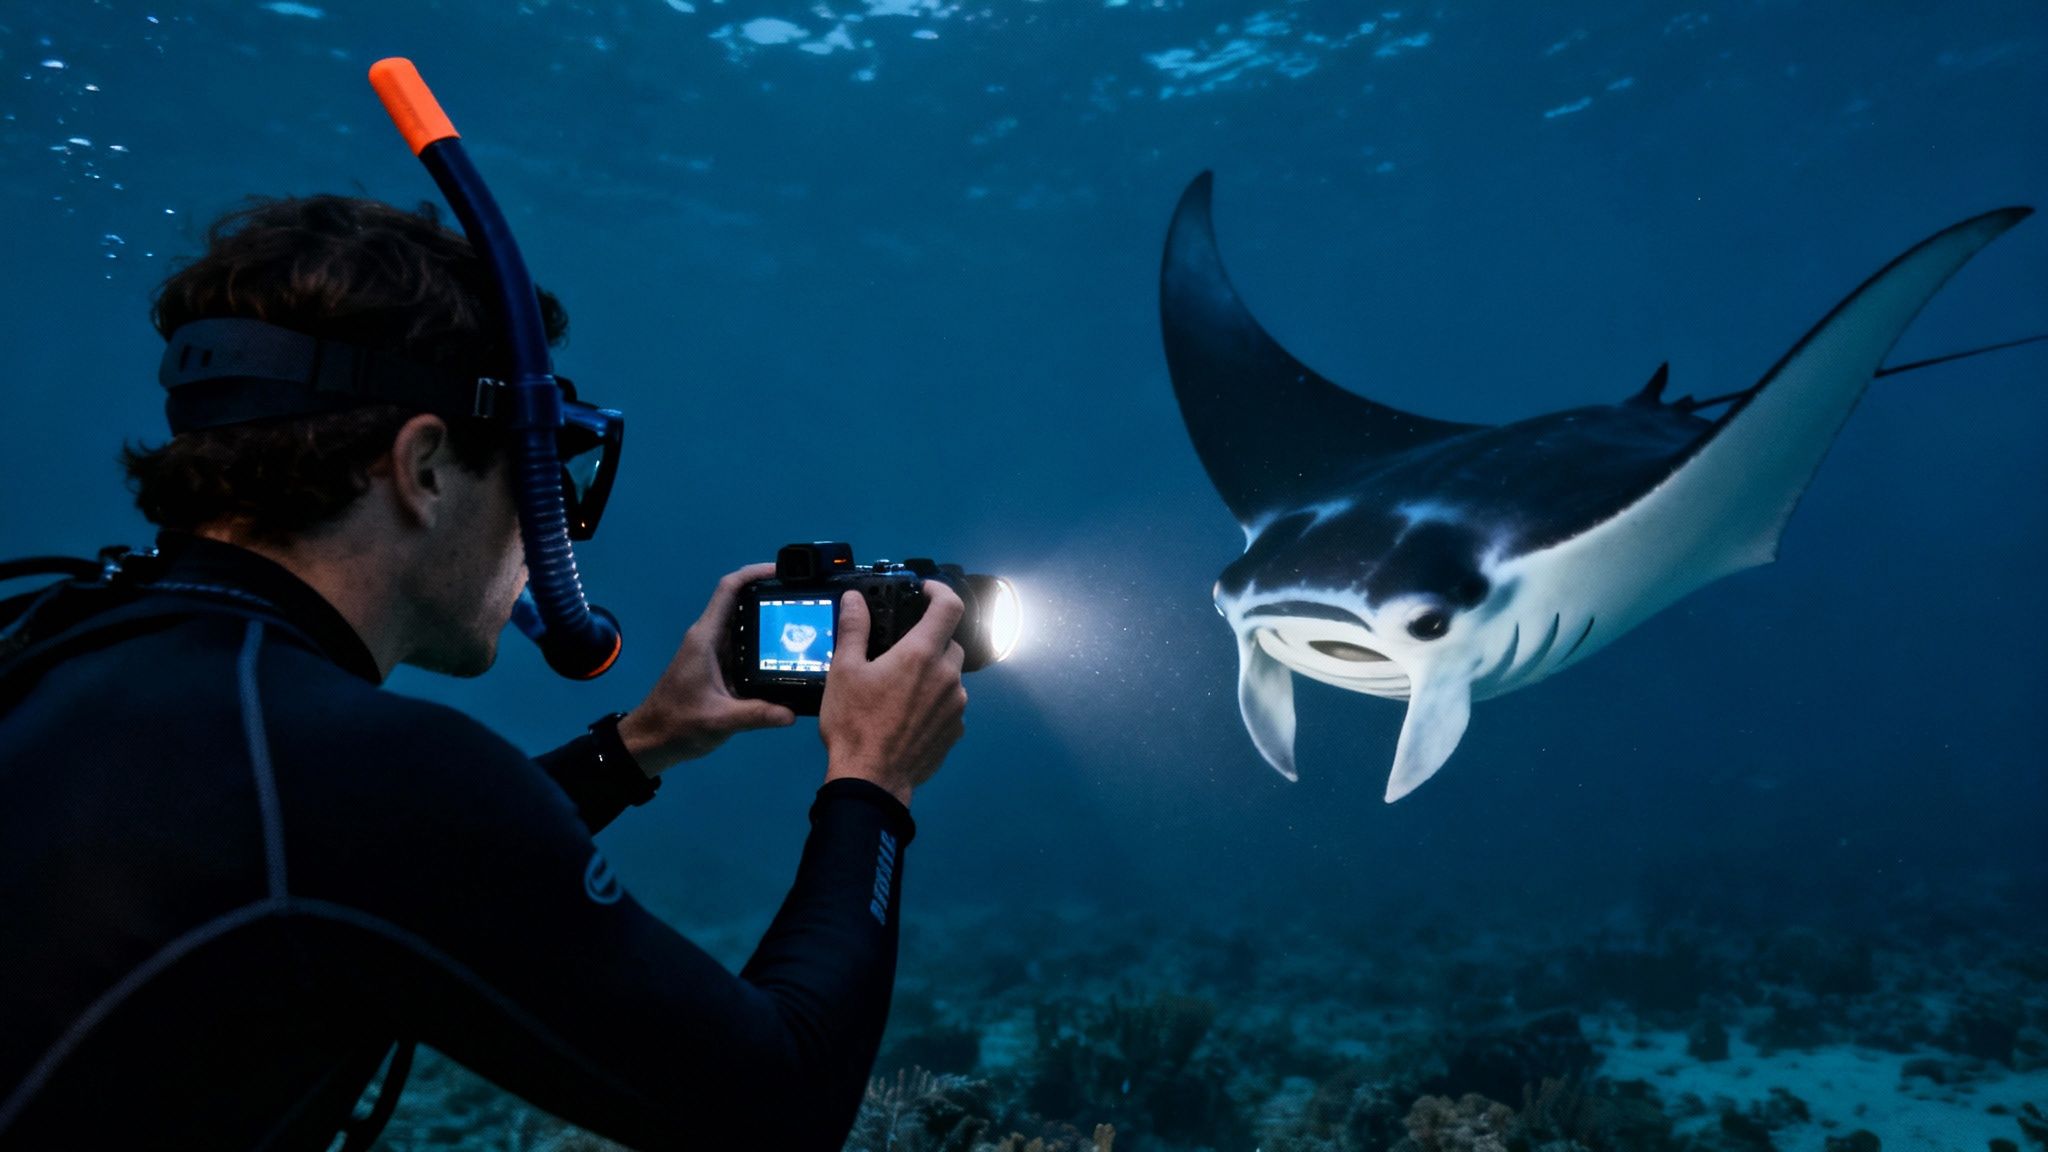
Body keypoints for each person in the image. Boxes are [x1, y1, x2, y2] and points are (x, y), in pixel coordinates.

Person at [0, 195, 969, 1150]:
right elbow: (779, 1105)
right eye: (542, 473)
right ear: (423, 467)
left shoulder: (62, 636)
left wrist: (639, 747)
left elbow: (340, 856)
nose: (541, 527)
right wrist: (870, 785)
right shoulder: (359, 767)